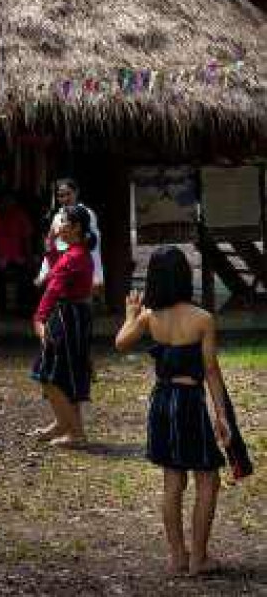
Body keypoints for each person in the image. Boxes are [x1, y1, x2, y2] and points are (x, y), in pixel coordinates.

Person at [115, 247, 234, 576]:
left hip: (161, 402)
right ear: (185, 276)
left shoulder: (150, 316)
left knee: (172, 481)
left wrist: (129, 315)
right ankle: (198, 558)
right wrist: (222, 415)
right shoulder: (202, 319)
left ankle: (177, 556)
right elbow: (210, 370)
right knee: (207, 477)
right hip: (188, 402)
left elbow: (120, 343)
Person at [30, 204, 95, 446]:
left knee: (51, 375)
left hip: (67, 319)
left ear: (76, 227)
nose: (59, 225)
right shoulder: (76, 253)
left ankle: (75, 432)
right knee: (67, 374)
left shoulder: (75, 257)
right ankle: (64, 425)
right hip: (75, 317)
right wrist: (50, 245)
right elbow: (58, 267)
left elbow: (54, 287)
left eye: (64, 221)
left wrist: (39, 318)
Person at [37, 178, 104, 291]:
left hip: (81, 270)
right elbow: (51, 246)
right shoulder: (57, 217)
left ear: (76, 192)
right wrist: (43, 273)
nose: (65, 199)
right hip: (61, 270)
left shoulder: (86, 214)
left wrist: (95, 275)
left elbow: (93, 245)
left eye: (68, 194)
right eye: (61, 195)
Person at [0, 192, 34, 318]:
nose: (7, 204)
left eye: (10, 201)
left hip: (17, 257)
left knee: (29, 277)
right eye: (5, 201)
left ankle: (24, 309)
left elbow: (27, 239)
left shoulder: (20, 216)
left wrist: (29, 258)